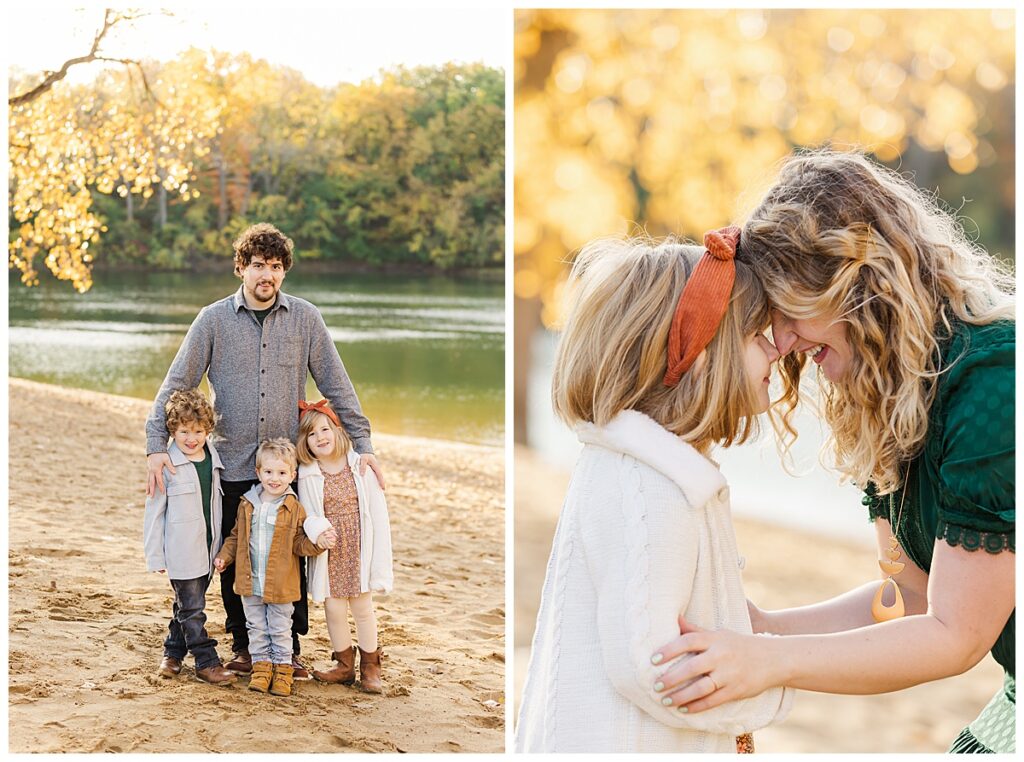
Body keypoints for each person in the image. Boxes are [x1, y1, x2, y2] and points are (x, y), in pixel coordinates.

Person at [650, 149, 1015, 754]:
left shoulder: (994, 382)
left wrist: (767, 660)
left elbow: (955, 636)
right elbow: (908, 598)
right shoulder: (891, 395)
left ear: (854, 281)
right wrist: (763, 627)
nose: (785, 342)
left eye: (789, 311)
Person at [515, 230, 793, 753]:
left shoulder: (656, 473)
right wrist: (768, 685)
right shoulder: (650, 490)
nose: (778, 349)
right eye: (758, 335)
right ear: (700, 353)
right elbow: (653, 667)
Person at [144, 222, 385, 680]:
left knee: (287, 555)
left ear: (284, 272)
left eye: (275, 267)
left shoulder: (306, 319)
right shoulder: (212, 320)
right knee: (237, 556)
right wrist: (156, 445)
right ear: (241, 268)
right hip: (232, 462)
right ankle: (244, 645)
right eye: (257, 266)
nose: (266, 275)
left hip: (285, 465)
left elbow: (337, 384)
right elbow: (176, 384)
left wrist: (364, 444)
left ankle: (287, 648)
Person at [213, 439, 333, 697]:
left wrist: (318, 543)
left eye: (281, 473)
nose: (274, 478)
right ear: (258, 473)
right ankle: (261, 669)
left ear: (293, 475)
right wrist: (224, 556)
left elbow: (300, 544)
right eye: (268, 472)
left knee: (279, 629)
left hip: (280, 585)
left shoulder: (293, 507)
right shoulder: (248, 504)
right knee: (256, 628)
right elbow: (235, 536)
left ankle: (282, 671)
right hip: (251, 582)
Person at [295, 399, 394, 693]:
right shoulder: (308, 472)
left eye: (325, 429)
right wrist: (318, 531)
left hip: (358, 546)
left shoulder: (359, 464)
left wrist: (377, 555)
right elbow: (307, 513)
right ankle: (344, 664)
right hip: (331, 548)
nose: (320, 437)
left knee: (363, 608)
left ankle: (370, 667)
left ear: (337, 430)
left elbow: (377, 512)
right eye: (312, 434)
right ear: (305, 442)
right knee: (334, 608)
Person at [143, 388, 237, 686]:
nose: (191, 438)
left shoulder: (213, 459)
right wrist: (155, 555)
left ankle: (172, 653)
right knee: (193, 608)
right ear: (173, 430)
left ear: (208, 429)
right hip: (181, 550)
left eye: (198, 430)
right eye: (184, 431)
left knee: (186, 605)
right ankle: (205, 660)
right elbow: (154, 513)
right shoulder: (166, 466)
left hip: (208, 550)